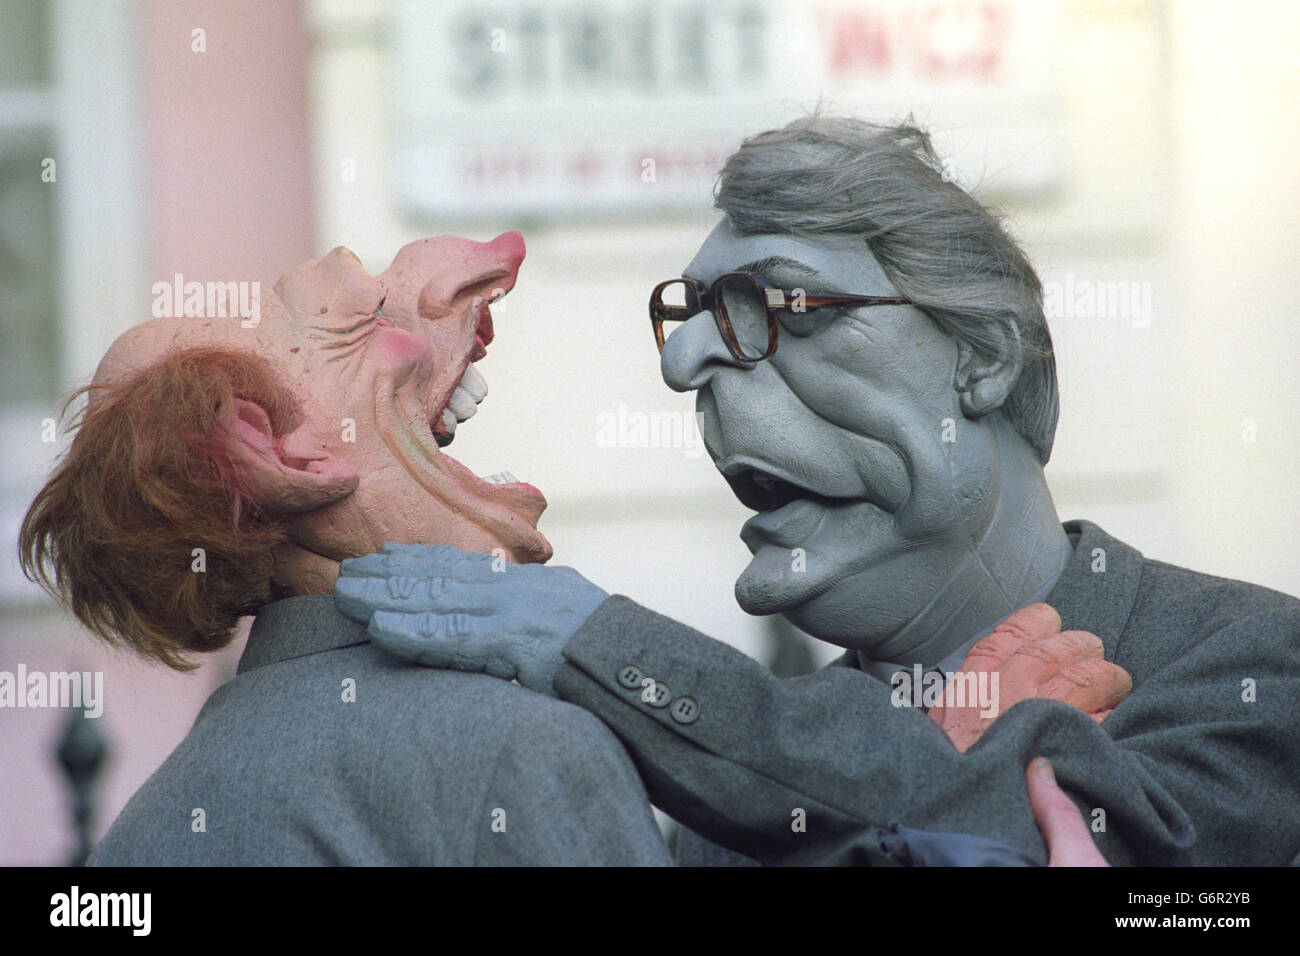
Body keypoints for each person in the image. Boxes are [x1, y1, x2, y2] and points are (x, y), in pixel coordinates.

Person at [332, 116, 1300, 866]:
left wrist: (595, 639)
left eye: (778, 303)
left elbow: (1074, 840)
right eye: (693, 312)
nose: (683, 364)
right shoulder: (731, 812)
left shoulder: (1249, 663)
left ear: (984, 358)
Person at [20, 234, 669, 865]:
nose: (493, 257)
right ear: (274, 455)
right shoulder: (523, 749)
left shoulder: (142, 831)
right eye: (365, 320)